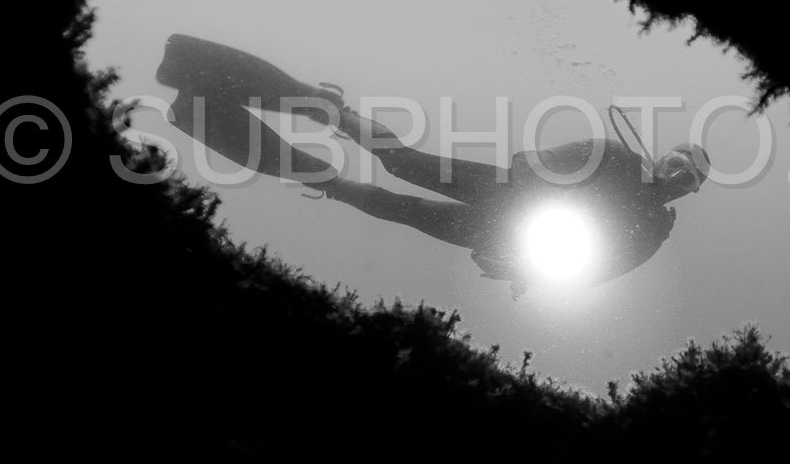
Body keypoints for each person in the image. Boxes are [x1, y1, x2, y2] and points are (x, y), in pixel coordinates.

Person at [156, 34, 710, 296]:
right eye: (682, 161)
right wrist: (541, 187)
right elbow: (530, 162)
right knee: (401, 163)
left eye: (692, 178)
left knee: (401, 210)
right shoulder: (614, 154)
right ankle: (335, 113)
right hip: (508, 193)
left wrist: (529, 273)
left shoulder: (656, 229)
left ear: (690, 192)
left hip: (513, 238)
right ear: (664, 156)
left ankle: (325, 180)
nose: (682, 175)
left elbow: (602, 270)